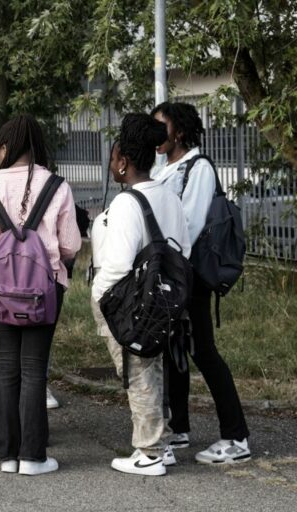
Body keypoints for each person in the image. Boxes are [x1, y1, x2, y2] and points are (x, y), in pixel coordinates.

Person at [0, 115, 81, 475]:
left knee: (6, 367)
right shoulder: (57, 186)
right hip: (43, 291)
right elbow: (70, 245)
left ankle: (7, 455)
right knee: (34, 369)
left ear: (5, 147)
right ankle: (33, 457)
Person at [151, 101, 251, 464]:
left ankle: (237, 438)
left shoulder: (199, 167)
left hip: (190, 273)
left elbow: (189, 225)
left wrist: (165, 261)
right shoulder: (162, 169)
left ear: (179, 131)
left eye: (161, 127)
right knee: (173, 348)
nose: (155, 135)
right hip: (172, 272)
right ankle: (179, 428)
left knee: (203, 351)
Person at [91, 114, 191, 476]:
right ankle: (163, 445)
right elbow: (184, 248)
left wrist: (97, 294)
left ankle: (149, 453)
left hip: (134, 300)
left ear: (124, 161)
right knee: (156, 366)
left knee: (138, 371)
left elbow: (117, 265)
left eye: (114, 157)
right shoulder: (169, 196)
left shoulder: (126, 203)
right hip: (168, 297)